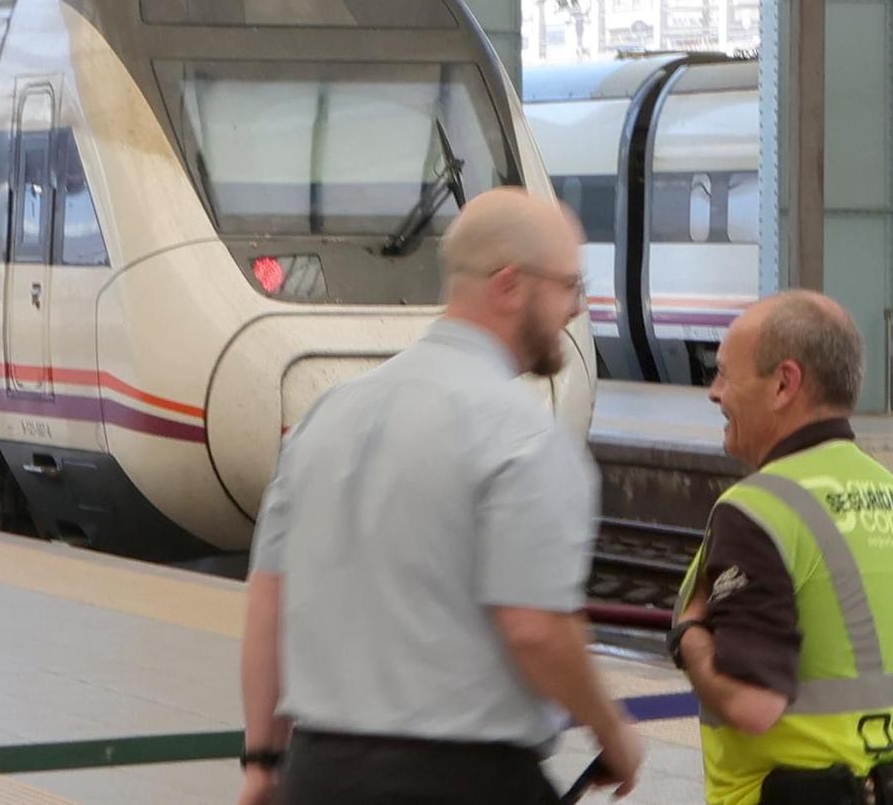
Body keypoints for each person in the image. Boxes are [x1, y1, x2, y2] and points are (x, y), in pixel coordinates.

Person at [237, 187, 642, 805]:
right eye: (569, 287)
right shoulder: (524, 437)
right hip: (461, 782)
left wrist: (263, 762)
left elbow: (269, 598)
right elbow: (534, 628)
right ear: (510, 286)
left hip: (319, 774)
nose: (573, 309)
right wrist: (612, 732)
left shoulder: (328, 416)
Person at [671, 291, 893, 805]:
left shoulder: (758, 511)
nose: (714, 393)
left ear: (784, 383)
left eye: (724, 375)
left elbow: (753, 707)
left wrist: (690, 637)